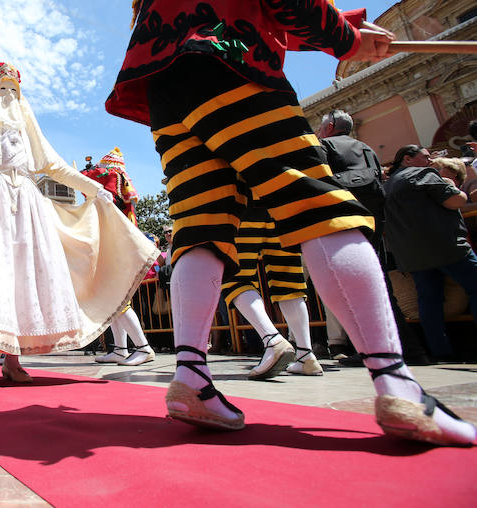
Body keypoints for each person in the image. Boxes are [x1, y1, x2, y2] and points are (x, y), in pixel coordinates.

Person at [106, 1, 475, 445]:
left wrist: (348, 27)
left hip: (163, 81)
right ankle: (397, 384)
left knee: (200, 227)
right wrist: (342, 37)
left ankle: (191, 377)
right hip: (229, 55)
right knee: (318, 206)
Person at [0, 62, 158, 385]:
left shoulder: (27, 129)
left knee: (21, 276)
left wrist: (94, 189)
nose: (8, 94)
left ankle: (12, 359)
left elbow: (55, 166)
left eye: (14, 89)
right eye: (2, 88)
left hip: (25, 203)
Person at [317, 110, 430, 365]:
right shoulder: (366, 148)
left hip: (344, 219)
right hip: (374, 220)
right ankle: (409, 349)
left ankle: (373, 349)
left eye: (321, 128)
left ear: (330, 127)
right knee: (379, 283)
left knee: (354, 285)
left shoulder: (324, 146)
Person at [384, 149, 477, 360]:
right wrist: (453, 187)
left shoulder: (387, 186)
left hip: (411, 255)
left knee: (429, 301)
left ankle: (441, 351)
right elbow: (456, 201)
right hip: (446, 246)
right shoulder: (423, 174)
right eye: (425, 157)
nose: (429, 160)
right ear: (408, 159)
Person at [220, 208, 322, 377]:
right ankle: (306, 355)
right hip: (279, 209)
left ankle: (272, 340)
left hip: (244, 207)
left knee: (236, 278)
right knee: (289, 281)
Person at [83, 147, 156, 366]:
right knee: (114, 302)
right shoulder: (120, 197)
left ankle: (143, 347)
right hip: (117, 248)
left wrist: (90, 173)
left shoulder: (112, 181)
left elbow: (91, 180)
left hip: (117, 250)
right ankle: (120, 349)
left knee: (118, 300)